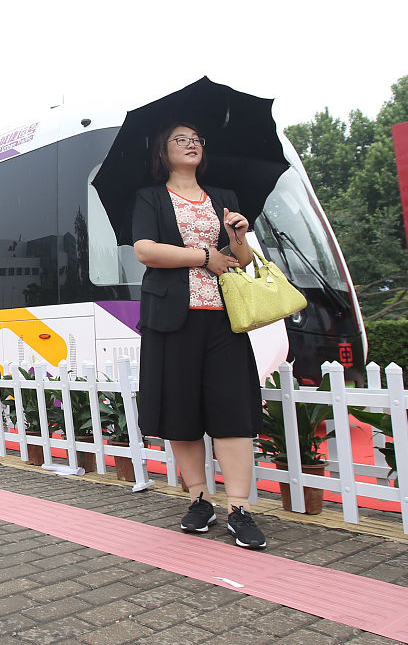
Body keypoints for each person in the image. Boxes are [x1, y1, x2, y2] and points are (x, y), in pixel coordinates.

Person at [131, 122, 267, 549]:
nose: (191, 145)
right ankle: (199, 500)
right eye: (180, 140)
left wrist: (239, 238)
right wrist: (206, 255)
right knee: (181, 411)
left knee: (233, 410)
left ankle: (240, 509)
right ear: (162, 150)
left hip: (224, 317)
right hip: (172, 317)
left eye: (196, 141)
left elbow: (240, 261)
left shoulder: (224, 198)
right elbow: (146, 250)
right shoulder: (149, 197)